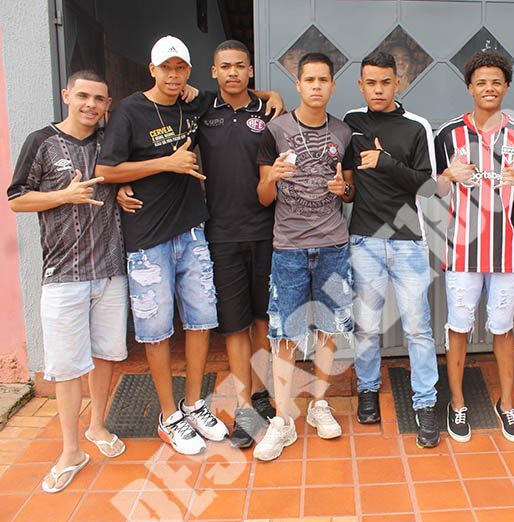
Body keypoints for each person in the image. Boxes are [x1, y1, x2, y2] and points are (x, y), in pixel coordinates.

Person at [115, 40, 285, 449]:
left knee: (264, 320)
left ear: (250, 70)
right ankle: (243, 407)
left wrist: (272, 93)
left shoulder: (268, 112)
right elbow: (131, 154)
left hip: (266, 230)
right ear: (213, 71)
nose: (232, 72)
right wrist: (120, 184)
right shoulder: (201, 109)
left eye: (240, 66)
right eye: (225, 66)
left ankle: (261, 394)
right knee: (234, 324)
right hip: (218, 234)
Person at [96, 36, 228, 455]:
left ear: (189, 71)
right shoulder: (130, 110)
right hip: (148, 239)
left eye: (180, 68)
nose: (173, 76)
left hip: (191, 231)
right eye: (166, 68)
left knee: (201, 320)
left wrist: (273, 95)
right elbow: (105, 170)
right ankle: (168, 416)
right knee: (156, 331)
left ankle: (193, 404)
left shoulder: (194, 103)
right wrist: (166, 164)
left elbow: (238, 92)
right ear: (152, 69)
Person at [8, 70, 127, 492]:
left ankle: (97, 426)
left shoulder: (110, 142)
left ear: (107, 104)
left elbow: (124, 175)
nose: (91, 104)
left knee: (106, 354)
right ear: (66, 96)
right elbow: (17, 199)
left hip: (110, 270)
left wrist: (123, 190)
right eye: (83, 96)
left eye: (99, 98)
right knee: (66, 366)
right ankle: (71, 450)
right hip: (63, 276)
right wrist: (63, 195)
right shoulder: (41, 141)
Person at [435, 51, 514, 443]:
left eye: (496, 81)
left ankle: (507, 404)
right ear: (470, 88)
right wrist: (448, 175)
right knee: (458, 328)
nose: (489, 88)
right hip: (462, 252)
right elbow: (431, 191)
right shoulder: (448, 134)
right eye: (481, 82)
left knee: (503, 328)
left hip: (505, 252)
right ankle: (458, 403)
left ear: (507, 87)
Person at [254, 53, 355, 461]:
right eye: (309, 79)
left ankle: (319, 404)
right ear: (297, 85)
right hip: (289, 247)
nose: (316, 86)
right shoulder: (275, 131)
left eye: (323, 80)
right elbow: (263, 196)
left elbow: (350, 190)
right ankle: (283, 419)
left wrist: (343, 190)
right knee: (285, 333)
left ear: (332, 85)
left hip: (333, 244)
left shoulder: (343, 132)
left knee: (329, 328)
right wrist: (273, 178)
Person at [344, 51, 440, 448]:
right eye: (371, 83)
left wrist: (386, 162)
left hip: (408, 241)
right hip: (364, 239)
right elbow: (347, 181)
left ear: (397, 83)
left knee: (418, 328)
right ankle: (367, 389)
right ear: (360, 85)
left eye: (385, 82)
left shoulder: (416, 127)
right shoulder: (351, 123)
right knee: (366, 325)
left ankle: (426, 402)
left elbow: (428, 186)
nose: (378, 90)